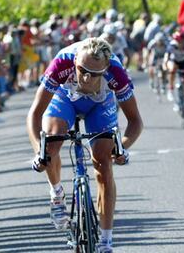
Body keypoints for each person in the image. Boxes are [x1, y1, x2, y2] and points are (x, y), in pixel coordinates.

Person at [27, 37, 143, 253]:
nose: (86, 78)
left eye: (95, 74)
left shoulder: (116, 73)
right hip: (65, 98)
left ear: (105, 69)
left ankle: (106, 240)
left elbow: (135, 121)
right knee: (51, 142)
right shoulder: (62, 62)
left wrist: (122, 148)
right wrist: (38, 151)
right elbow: (35, 113)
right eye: (81, 70)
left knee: (103, 164)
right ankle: (56, 193)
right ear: (75, 62)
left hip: (100, 104)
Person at [164, 31, 184, 119]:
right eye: (178, 40)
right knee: (172, 68)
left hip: (183, 63)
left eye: (182, 40)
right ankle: (170, 88)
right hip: (173, 61)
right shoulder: (172, 45)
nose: (180, 43)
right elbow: (166, 58)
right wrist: (165, 66)